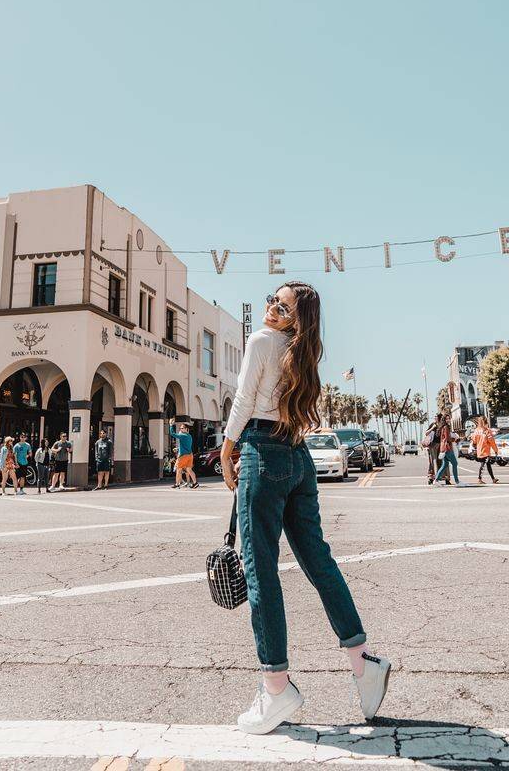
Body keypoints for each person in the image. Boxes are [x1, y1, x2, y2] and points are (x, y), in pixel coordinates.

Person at [220, 283, 390, 736]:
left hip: (262, 451)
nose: (271, 308)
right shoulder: (305, 353)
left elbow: (242, 399)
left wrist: (226, 449)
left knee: (260, 569)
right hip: (298, 457)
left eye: (282, 306)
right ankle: (363, 663)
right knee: (318, 560)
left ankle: (276, 687)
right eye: (271, 299)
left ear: (295, 319)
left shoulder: (260, 342)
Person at [434, 418, 465, 487]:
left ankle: (436, 480)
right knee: (454, 463)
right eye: (447, 419)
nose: (449, 420)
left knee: (445, 465)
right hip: (447, 448)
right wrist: (457, 439)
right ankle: (457, 481)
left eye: (449, 418)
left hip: (444, 448)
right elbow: (447, 439)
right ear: (444, 420)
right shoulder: (446, 427)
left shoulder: (443, 427)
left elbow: (446, 438)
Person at [169, 422, 198, 489]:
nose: (180, 429)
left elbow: (172, 434)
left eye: (182, 428)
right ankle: (195, 483)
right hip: (190, 455)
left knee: (178, 470)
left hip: (183, 456)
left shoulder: (182, 435)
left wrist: (171, 425)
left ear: (186, 429)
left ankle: (177, 484)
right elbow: (186, 446)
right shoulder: (189, 436)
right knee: (189, 469)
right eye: (180, 428)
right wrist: (178, 448)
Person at [472, 417, 499, 485]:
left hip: (479, 450)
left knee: (487, 464)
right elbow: (492, 441)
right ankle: (479, 479)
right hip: (486, 450)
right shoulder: (487, 431)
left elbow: (474, 441)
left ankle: (493, 479)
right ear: (486, 422)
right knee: (484, 464)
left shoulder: (476, 431)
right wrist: (496, 450)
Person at [424, 417, 441, 485]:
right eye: (435, 418)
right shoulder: (432, 424)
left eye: (437, 418)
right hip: (432, 445)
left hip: (440, 445)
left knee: (440, 461)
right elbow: (426, 433)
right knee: (433, 461)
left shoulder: (442, 425)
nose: (436, 419)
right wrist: (432, 428)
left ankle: (440, 477)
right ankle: (432, 477)